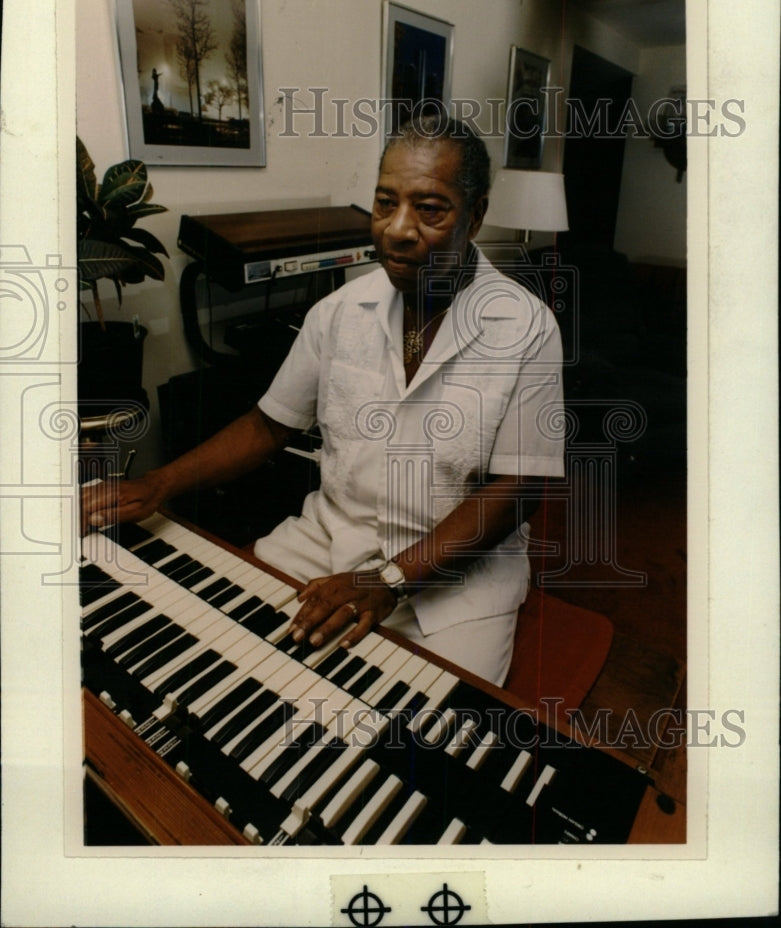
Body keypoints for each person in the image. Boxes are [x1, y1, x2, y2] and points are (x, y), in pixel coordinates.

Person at [82, 114, 564, 686]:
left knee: (425, 726)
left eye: (430, 209)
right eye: (386, 203)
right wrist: (157, 485)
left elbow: (519, 490)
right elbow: (267, 427)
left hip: (457, 579)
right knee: (223, 649)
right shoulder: (339, 312)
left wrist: (388, 582)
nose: (398, 229)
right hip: (327, 539)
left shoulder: (526, 328)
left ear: (476, 215)